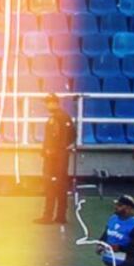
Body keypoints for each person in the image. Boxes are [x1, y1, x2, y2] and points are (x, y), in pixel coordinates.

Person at [37, 94, 77, 223]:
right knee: (60, 186)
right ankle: (60, 215)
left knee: (52, 186)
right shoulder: (64, 117)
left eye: (49, 102)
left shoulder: (57, 118)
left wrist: (52, 151)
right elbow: (72, 136)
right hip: (60, 156)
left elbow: (55, 139)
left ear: (55, 103)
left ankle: (48, 215)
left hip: (54, 158)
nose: (47, 105)